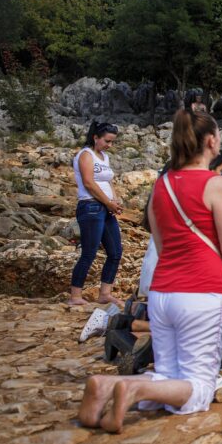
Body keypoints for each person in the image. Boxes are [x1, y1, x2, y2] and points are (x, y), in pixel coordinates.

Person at [77, 108, 222, 433]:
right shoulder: (217, 185)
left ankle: (107, 385)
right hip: (201, 291)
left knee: (167, 373)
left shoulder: (162, 186)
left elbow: (162, 246)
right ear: (211, 141)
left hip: (163, 292)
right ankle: (134, 388)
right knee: (199, 387)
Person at [69, 121, 124, 307]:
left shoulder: (104, 157)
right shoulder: (86, 154)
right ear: (96, 138)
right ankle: (75, 295)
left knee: (115, 252)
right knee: (89, 252)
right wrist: (107, 202)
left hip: (106, 208)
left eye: (112, 142)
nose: (110, 145)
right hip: (91, 207)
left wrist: (114, 201)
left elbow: (108, 182)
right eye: (107, 141)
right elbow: (88, 183)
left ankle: (105, 293)